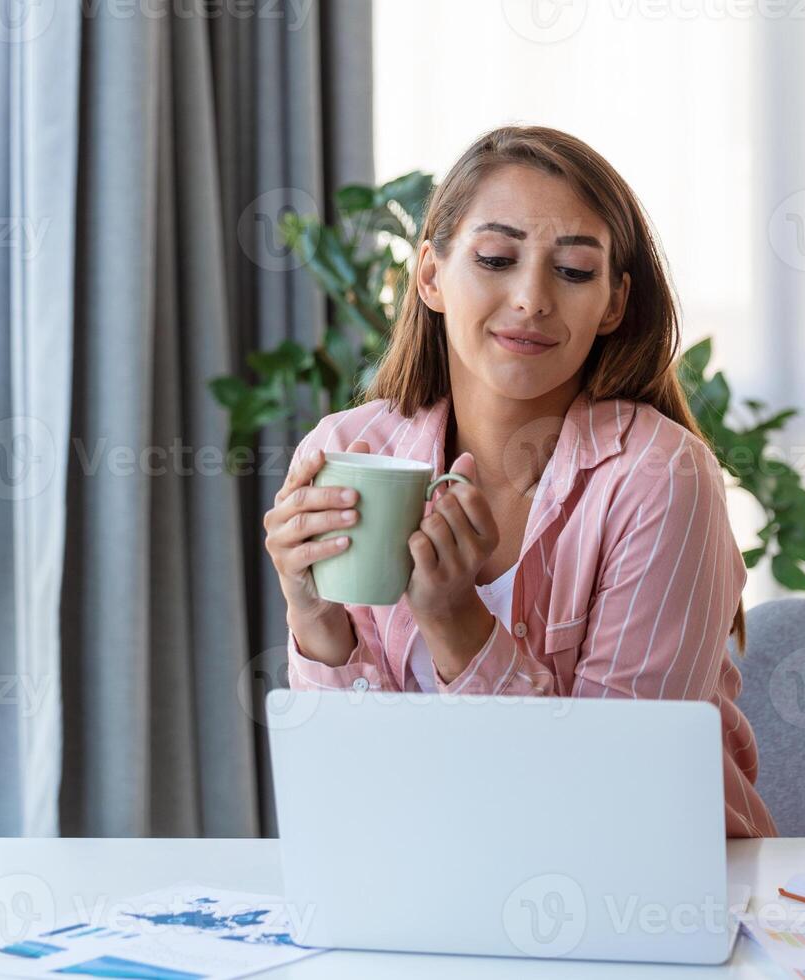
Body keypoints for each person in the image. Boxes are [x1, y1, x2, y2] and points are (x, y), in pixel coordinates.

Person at [261, 125, 775, 837]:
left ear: (615, 304)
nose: (532, 298)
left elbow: (614, 794)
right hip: (433, 882)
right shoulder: (350, 449)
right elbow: (349, 787)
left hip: (655, 898)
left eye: (572, 272)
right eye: (497, 258)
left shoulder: (659, 478)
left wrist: (455, 620)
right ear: (431, 276)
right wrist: (311, 615)